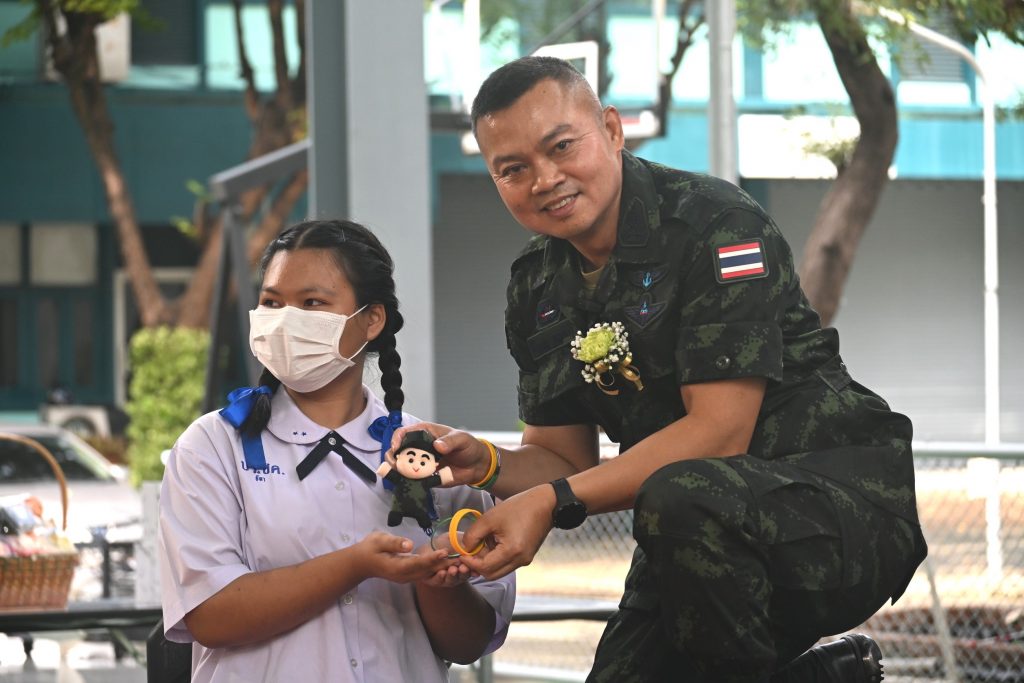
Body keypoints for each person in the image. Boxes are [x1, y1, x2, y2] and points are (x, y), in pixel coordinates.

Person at [395, 56, 928, 682]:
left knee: (679, 497)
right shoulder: (536, 288)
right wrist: (487, 462)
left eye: (561, 146)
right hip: (694, 531)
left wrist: (552, 502)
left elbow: (718, 434)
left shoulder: (715, 224)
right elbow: (564, 461)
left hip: (841, 509)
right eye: (512, 170)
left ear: (613, 131)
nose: (544, 179)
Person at [158, 219, 515, 682]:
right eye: (271, 302)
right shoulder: (214, 446)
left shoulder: (432, 452)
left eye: (312, 303)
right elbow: (210, 615)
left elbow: (470, 642)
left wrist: (434, 584)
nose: (286, 319)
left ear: (372, 319)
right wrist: (353, 566)